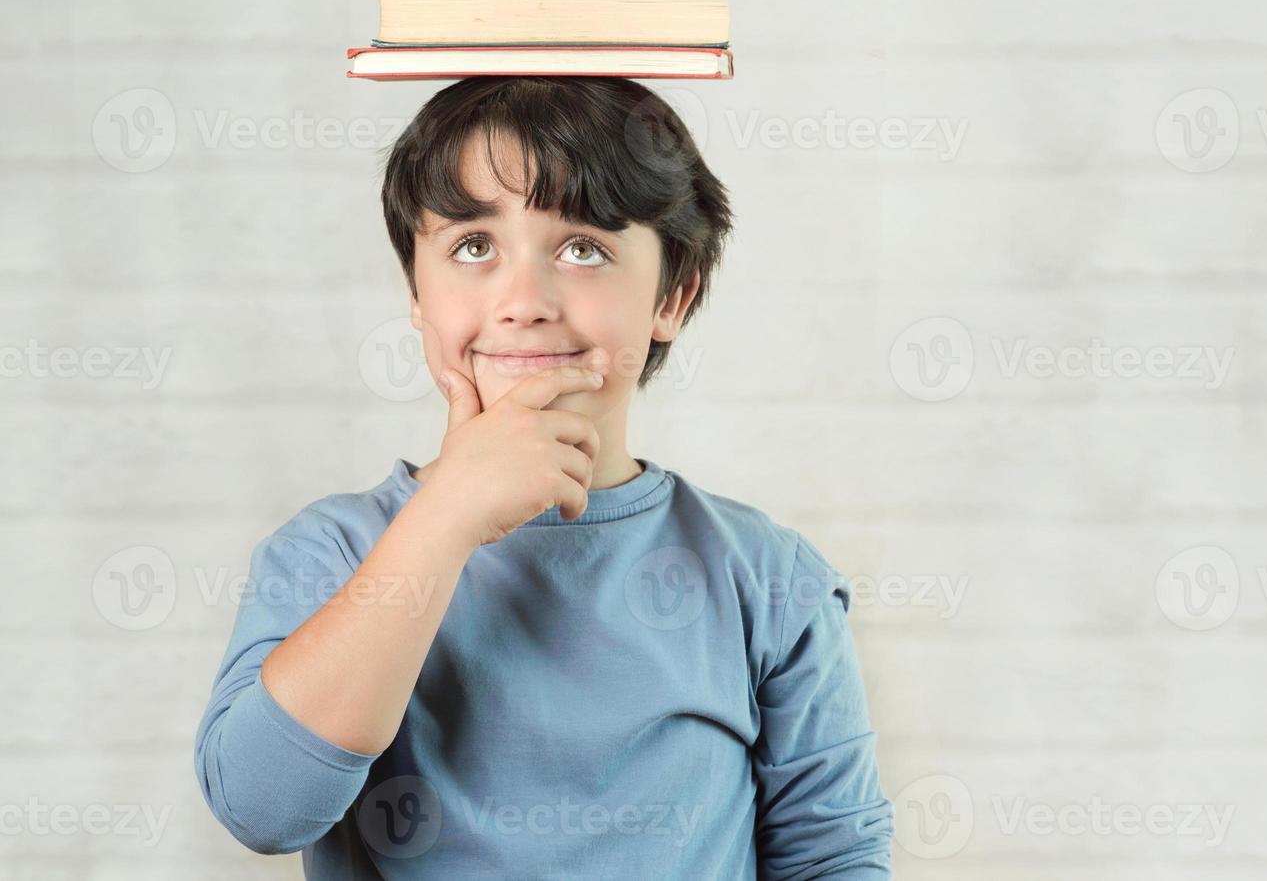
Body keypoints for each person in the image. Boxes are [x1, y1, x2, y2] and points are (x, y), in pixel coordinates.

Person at [193, 76, 895, 878]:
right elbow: (261, 808)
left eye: (583, 248)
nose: (523, 300)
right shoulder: (330, 552)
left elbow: (830, 856)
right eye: (473, 247)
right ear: (417, 296)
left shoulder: (767, 578)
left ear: (674, 294)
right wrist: (444, 518)